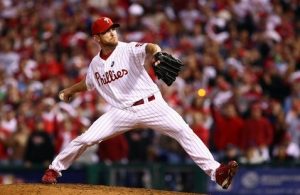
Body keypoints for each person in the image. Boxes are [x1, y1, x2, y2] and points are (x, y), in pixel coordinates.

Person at [41, 17, 238, 189]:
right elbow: (88, 83)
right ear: (96, 38)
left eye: (112, 29)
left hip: (152, 105)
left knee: (184, 131)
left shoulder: (128, 49)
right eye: (106, 31)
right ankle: (54, 169)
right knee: (86, 139)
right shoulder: (95, 64)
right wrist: (69, 91)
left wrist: (158, 54)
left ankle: (217, 172)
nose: (112, 33)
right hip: (121, 111)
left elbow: (150, 47)